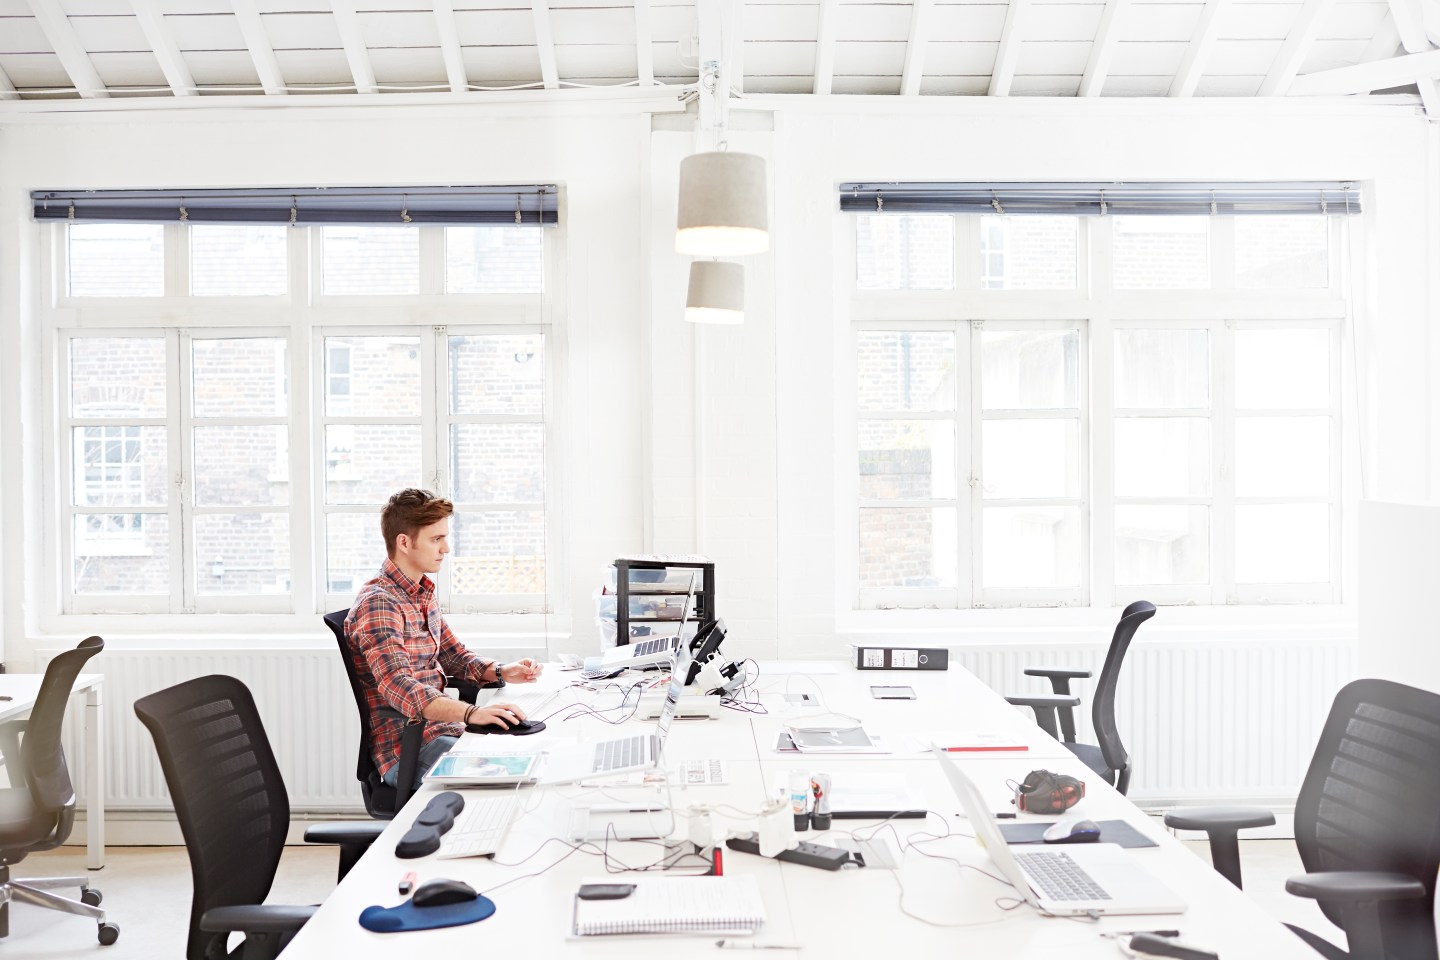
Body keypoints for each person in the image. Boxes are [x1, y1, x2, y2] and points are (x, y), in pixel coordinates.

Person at [345, 488, 543, 789]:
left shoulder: (420, 593)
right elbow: (398, 685)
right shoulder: (380, 603)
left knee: (530, 756)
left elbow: (453, 655)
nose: (446, 548)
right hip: (408, 749)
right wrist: (472, 713)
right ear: (404, 542)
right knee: (511, 780)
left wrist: (502, 671)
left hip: (443, 731)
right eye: (436, 539)